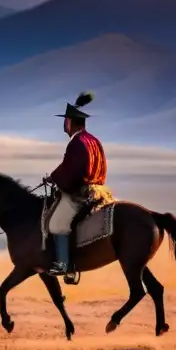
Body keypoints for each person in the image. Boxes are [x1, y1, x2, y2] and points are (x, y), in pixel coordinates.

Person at [45, 91, 109, 276]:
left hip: (81, 192)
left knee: (57, 224)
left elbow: (71, 169)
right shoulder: (94, 141)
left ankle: (65, 265)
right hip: (99, 190)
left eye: (65, 121)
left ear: (70, 122)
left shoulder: (77, 143)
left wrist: (53, 178)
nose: (64, 125)